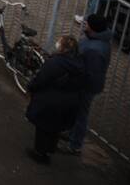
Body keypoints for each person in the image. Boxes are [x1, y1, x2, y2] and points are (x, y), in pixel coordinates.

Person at [25, 35, 86, 164]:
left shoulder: (56, 62)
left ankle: (40, 153)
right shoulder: (79, 63)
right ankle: (49, 150)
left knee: (43, 127)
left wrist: (30, 87)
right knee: (55, 128)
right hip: (69, 102)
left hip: (51, 100)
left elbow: (41, 79)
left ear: (63, 48)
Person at [59, 15, 113, 155]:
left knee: (81, 114)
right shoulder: (97, 39)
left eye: (87, 24)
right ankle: (71, 133)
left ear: (93, 28)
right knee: (76, 111)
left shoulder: (95, 49)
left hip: (85, 86)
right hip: (84, 84)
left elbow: (91, 73)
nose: (85, 25)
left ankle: (75, 145)